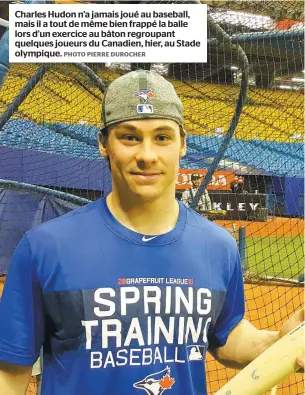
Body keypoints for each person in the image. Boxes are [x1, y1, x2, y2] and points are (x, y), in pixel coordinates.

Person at [0, 70, 303, 395]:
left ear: (182, 144)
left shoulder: (217, 246)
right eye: (130, 137)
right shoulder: (45, 247)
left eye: (162, 137)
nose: (146, 155)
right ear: (104, 143)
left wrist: (277, 341)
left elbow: (226, 336)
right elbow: (11, 373)